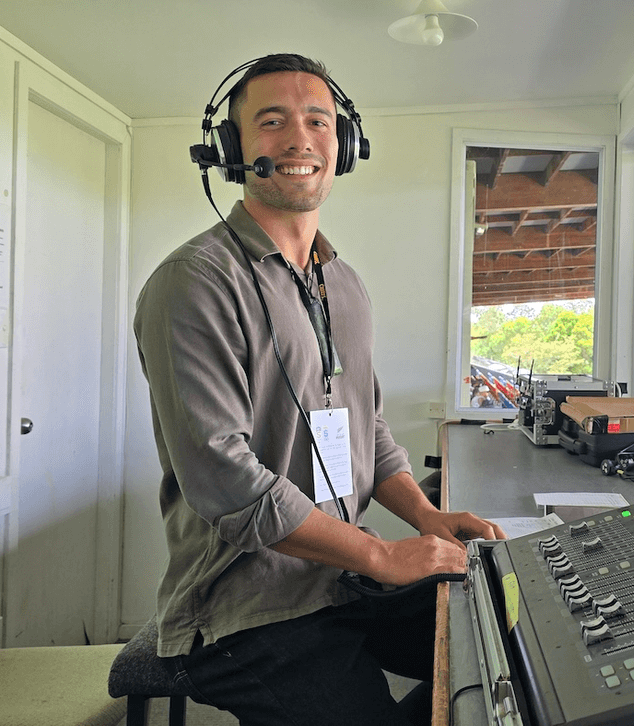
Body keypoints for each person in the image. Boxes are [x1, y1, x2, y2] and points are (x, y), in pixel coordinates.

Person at [134, 54, 503, 726]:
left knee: (506, 637)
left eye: (318, 121)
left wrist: (424, 517)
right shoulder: (193, 283)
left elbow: (372, 431)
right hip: (247, 612)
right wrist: (383, 553)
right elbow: (226, 480)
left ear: (346, 145)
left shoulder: (345, 286)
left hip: (340, 581)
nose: (300, 139)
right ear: (231, 150)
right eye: (271, 122)